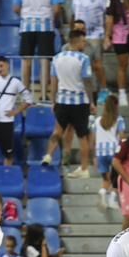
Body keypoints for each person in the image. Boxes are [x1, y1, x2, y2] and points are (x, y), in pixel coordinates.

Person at [47, 29, 95, 177]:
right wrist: (91, 101)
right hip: (79, 102)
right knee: (82, 136)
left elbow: (53, 82)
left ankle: (48, 155)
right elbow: (87, 81)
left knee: (58, 131)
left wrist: (53, 100)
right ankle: (84, 168)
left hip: (62, 100)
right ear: (77, 42)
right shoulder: (83, 59)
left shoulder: (56, 58)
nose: (84, 43)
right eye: (83, 40)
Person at [17, 0, 63, 90]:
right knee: (45, 60)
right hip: (46, 26)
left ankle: (26, 92)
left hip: (27, 25)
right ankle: (44, 92)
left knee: (26, 60)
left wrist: (25, 16)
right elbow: (56, 8)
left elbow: (15, 7)